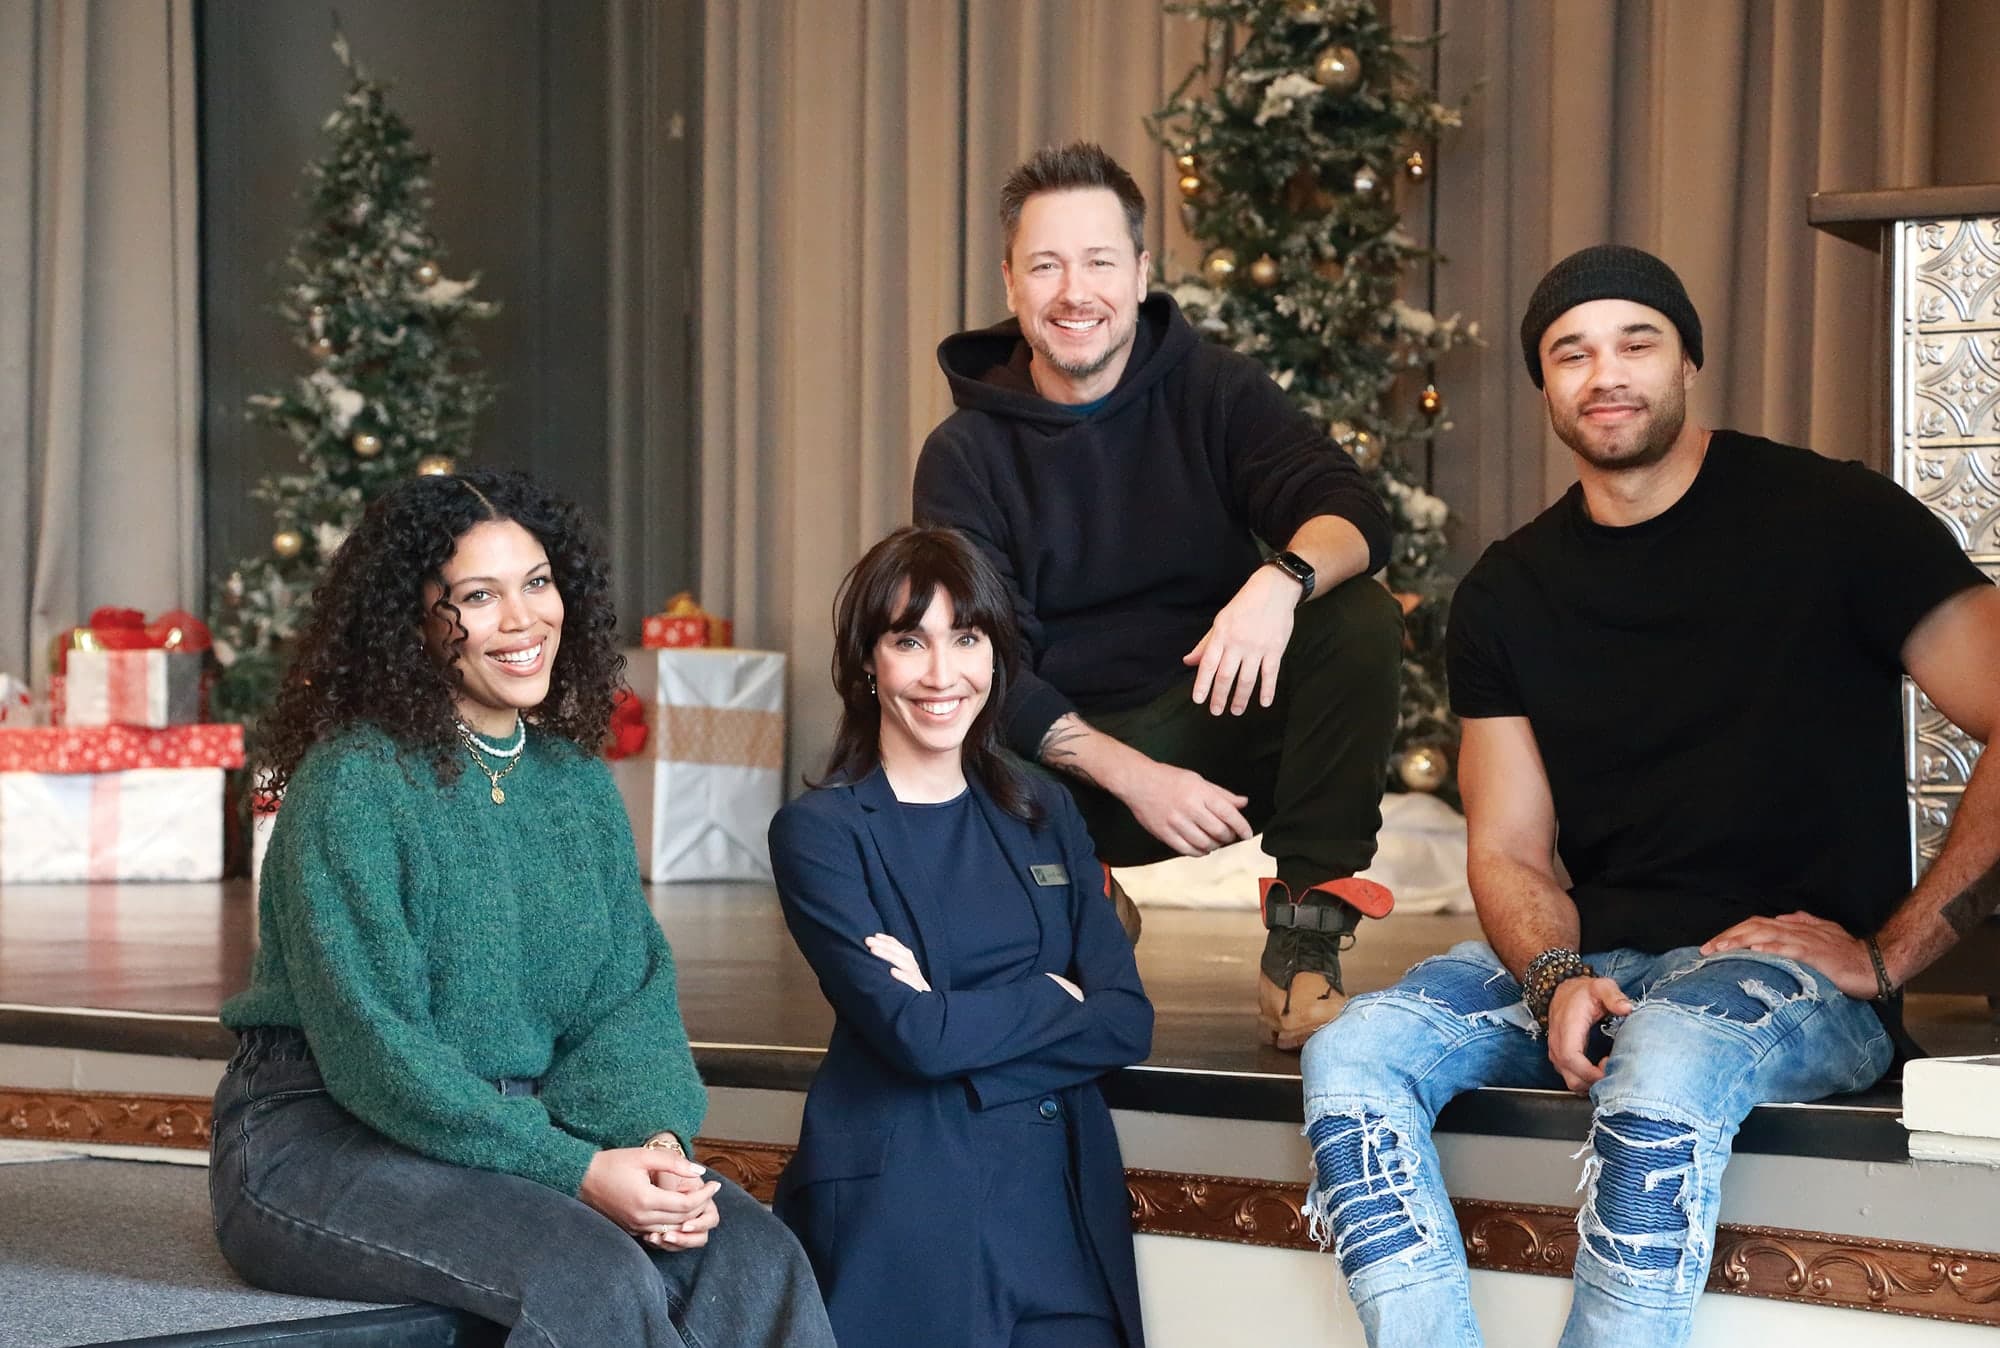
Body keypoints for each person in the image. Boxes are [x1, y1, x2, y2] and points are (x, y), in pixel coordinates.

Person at [1297, 245, 2000, 1346]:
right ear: (1545, 386)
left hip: (1781, 972)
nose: (1603, 373)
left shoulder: (1834, 518)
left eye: (1635, 342)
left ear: (1688, 362)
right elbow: (1511, 849)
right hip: (1603, 957)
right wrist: (1550, 977)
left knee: (1664, 1057)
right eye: (1569, 352)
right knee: (1350, 1055)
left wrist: (1890, 954)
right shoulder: (1507, 590)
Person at [210, 469, 834, 1348]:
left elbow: (629, 998)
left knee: (755, 1256)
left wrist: (652, 1144)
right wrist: (575, 1170)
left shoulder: (574, 784)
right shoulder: (354, 781)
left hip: (522, 1127)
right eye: (478, 595)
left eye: (537, 582)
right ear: (414, 621)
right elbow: (374, 1050)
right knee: (591, 1274)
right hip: (319, 1139)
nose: (522, 619)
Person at [913, 140, 1403, 1051]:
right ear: (1012, 285)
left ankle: (1303, 945)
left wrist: (1278, 581)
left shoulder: (1214, 389)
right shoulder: (965, 454)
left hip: (1215, 717)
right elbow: (983, 661)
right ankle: (1087, 907)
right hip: (1064, 766)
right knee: (942, 706)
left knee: (1357, 616)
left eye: (1100, 261)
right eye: (1046, 265)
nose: (1075, 291)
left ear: (1140, 273)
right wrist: (1131, 774)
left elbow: (1353, 512)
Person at [768, 525, 1154, 1347]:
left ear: (995, 656)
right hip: (906, 1202)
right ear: (868, 664)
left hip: (1059, 1202)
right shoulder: (823, 833)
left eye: (966, 639)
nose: (943, 675)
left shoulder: (1046, 809)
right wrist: (1055, 996)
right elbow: (913, 1039)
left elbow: (1125, 1021)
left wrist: (952, 1014)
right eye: (911, 642)